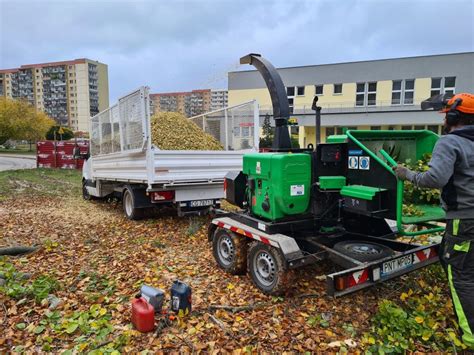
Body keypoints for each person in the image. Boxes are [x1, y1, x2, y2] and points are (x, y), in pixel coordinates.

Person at [394, 93, 474, 350]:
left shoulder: (449, 142)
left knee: (460, 275)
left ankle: (471, 338)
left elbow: (434, 179)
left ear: (452, 116)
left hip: (465, 219)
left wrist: (407, 174)